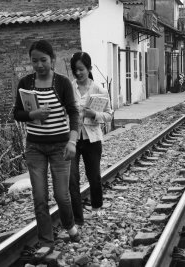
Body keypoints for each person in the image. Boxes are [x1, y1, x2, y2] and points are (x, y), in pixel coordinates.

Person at [13, 40, 80, 258]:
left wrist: (72, 141)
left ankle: (69, 225)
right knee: (39, 196)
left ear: (52, 59)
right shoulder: (25, 83)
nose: (39, 65)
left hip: (60, 146)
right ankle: (46, 241)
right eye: (35, 61)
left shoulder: (62, 83)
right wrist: (33, 115)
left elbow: (73, 113)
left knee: (62, 195)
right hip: (35, 147)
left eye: (43, 60)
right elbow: (17, 113)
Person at [69, 52, 113, 224]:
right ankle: (76, 214)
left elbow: (109, 115)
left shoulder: (99, 90)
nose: (78, 73)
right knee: (72, 177)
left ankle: (96, 207)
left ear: (89, 68)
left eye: (81, 69)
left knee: (93, 175)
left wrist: (94, 114)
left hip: (91, 139)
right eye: (75, 70)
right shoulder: (68, 88)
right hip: (72, 137)